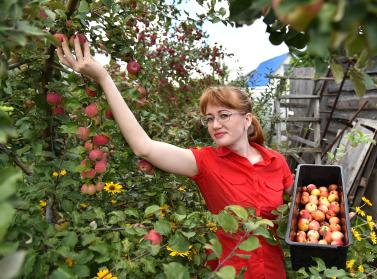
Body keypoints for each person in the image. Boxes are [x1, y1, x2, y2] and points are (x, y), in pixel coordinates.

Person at [56, 35, 294, 279]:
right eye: (209, 118)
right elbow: (143, 147)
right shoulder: (205, 162)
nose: (215, 124)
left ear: (246, 119)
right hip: (229, 273)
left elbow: (299, 213)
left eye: (223, 115)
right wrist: (104, 78)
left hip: (274, 272)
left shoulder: (276, 162)